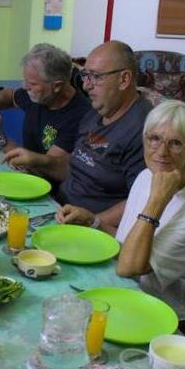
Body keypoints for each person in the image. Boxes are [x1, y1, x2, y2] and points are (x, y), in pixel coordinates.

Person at [109, 100, 185, 342]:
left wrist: (156, 201)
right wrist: (95, 223)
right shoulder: (147, 175)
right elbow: (126, 247)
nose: (161, 151)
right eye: (154, 138)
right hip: (137, 299)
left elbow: (130, 268)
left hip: (180, 323)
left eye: (176, 143)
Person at [50, 41, 153, 230]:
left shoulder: (145, 130)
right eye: (84, 75)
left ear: (124, 79)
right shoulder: (96, 110)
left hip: (89, 228)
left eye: (96, 77)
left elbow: (141, 200)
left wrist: (92, 221)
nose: (86, 85)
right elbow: (76, 164)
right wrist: (31, 160)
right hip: (58, 208)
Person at [0, 44, 90, 181]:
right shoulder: (41, 94)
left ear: (57, 86)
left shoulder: (80, 116)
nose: (25, 87)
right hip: (25, 174)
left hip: (48, 190)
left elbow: (45, 170)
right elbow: (9, 96)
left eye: (32, 84)